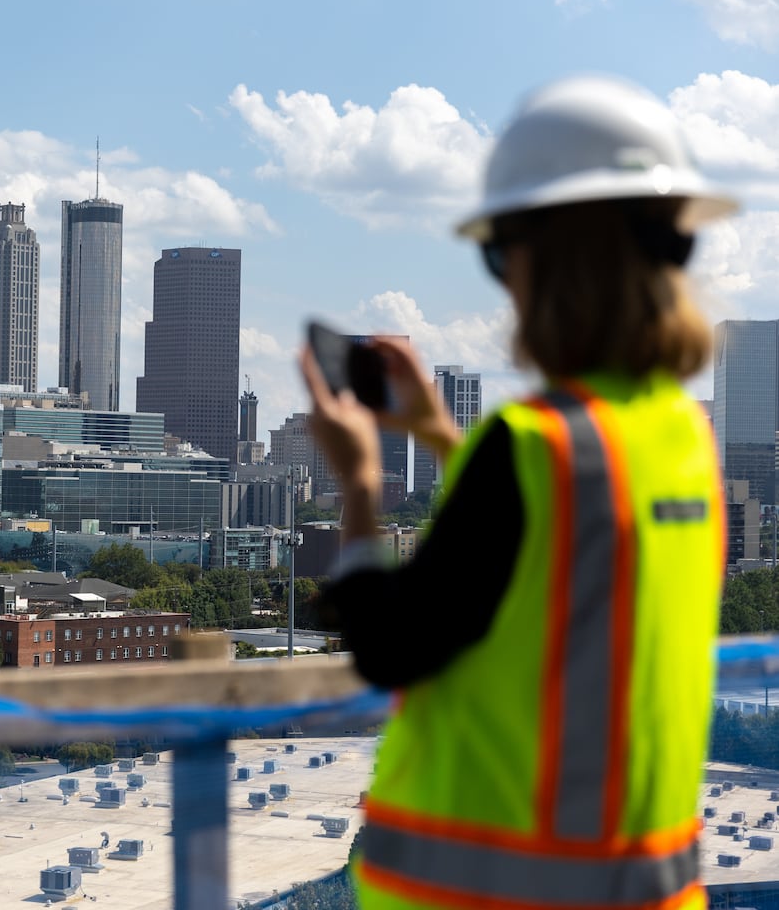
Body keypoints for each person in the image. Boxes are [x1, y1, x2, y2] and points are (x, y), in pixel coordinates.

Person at [301, 75, 738, 910]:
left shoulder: (528, 450)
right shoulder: (685, 438)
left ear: (541, 261)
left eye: (499, 252)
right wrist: (437, 435)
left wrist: (358, 483)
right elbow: (557, 547)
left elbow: (391, 646)